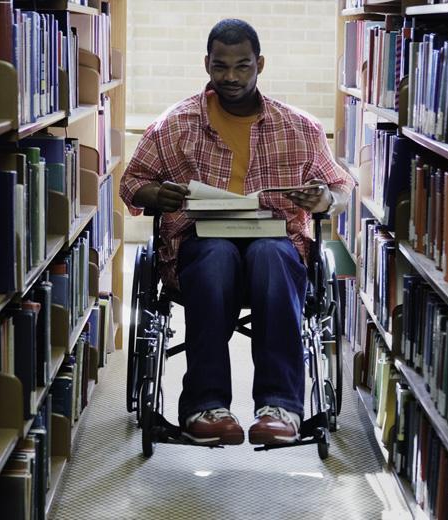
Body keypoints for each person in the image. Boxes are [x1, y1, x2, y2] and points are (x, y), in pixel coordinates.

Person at [120, 18, 351, 447]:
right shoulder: (174, 124)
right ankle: (206, 407)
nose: (230, 77)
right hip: (201, 247)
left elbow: (339, 188)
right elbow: (132, 184)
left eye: (242, 66)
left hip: (275, 245)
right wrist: (158, 193)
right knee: (216, 257)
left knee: (270, 254)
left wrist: (324, 201)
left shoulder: (299, 127)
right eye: (220, 66)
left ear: (259, 64)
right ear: (206, 63)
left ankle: (279, 406)